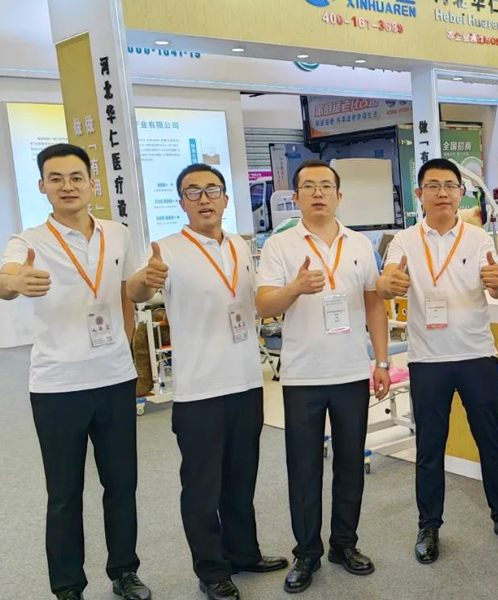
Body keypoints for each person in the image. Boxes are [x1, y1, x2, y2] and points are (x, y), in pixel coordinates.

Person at [127, 164, 287, 600]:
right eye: (192, 192)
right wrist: (144, 280)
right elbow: (138, 292)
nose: (204, 199)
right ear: (182, 202)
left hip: (246, 383)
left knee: (241, 478)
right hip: (200, 391)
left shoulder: (238, 245)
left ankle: (243, 552)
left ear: (225, 198)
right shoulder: (167, 250)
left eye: (212, 190)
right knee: (202, 487)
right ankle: (212, 569)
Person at [0, 144, 151, 600]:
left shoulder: (117, 233)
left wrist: (125, 341)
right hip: (57, 385)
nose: (67, 186)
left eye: (76, 177)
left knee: (122, 484)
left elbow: (128, 292)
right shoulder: (29, 240)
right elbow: (6, 278)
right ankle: (68, 585)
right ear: (42, 186)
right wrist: (14, 282)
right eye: (56, 178)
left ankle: (124, 571)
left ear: (92, 183)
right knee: (64, 493)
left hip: (115, 380)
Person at [377, 158, 498, 565]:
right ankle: (428, 526)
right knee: (429, 448)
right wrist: (389, 283)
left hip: (476, 356)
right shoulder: (404, 241)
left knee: (491, 442)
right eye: (433, 185)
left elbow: (497, 287)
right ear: (419, 193)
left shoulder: (477, 238)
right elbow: (388, 281)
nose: (442, 193)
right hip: (428, 360)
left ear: (461, 193)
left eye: (450, 186)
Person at [255, 159, 390, 594]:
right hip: (302, 376)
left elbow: (374, 305)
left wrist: (381, 361)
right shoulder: (280, 245)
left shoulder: (360, 243)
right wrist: (294, 288)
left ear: (339, 195)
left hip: (350, 372)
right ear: (295, 197)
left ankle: (344, 544)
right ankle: (307, 553)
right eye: (309, 186)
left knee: (350, 464)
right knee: (304, 468)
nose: (318, 193)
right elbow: (263, 305)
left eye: (326, 186)